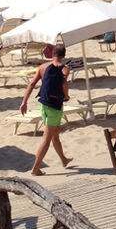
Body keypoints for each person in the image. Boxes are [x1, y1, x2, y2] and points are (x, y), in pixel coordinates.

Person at [20, 43, 72, 176]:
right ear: (64, 55)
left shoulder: (42, 67)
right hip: (55, 106)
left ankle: (64, 160)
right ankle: (35, 169)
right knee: (47, 137)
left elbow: (31, 84)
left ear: (53, 54)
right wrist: (66, 95)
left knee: (54, 134)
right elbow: (64, 83)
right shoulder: (65, 69)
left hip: (43, 104)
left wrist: (24, 102)